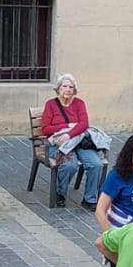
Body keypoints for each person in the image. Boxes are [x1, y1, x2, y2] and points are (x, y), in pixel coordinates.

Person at [44, 73, 105, 209]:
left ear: (74, 90)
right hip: (60, 144)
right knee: (69, 166)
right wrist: (67, 126)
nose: (68, 89)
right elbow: (46, 129)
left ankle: (89, 199)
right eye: (64, 86)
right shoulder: (51, 104)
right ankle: (60, 193)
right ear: (58, 88)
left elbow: (84, 124)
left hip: (79, 142)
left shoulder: (79, 103)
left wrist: (69, 134)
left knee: (96, 164)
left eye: (71, 87)